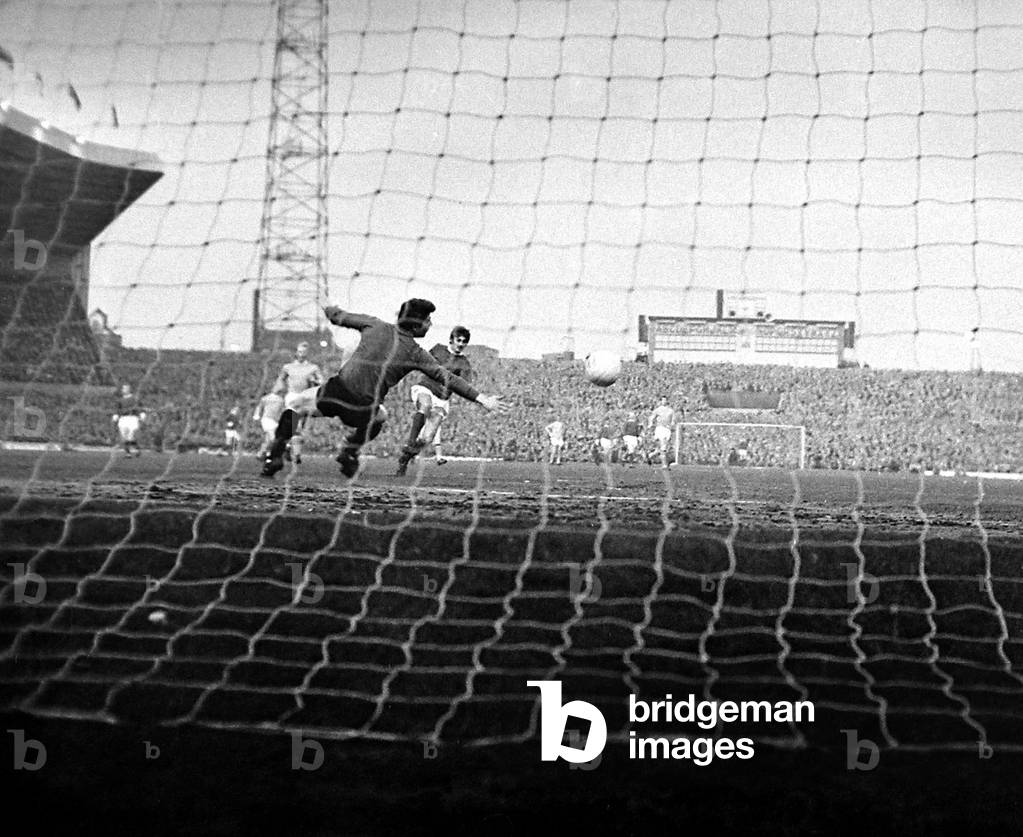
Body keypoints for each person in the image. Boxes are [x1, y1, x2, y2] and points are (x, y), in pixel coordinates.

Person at [261, 299, 506, 478]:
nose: (431, 325)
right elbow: (448, 378)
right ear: (417, 324)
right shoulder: (415, 353)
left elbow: (339, 317)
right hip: (364, 407)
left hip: (337, 391)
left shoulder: (374, 325)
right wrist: (481, 398)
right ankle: (349, 450)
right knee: (380, 416)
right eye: (428, 320)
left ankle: (275, 454)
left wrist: (326, 307)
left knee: (294, 406)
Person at [396, 325, 473, 475]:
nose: (461, 344)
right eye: (459, 340)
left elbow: (464, 385)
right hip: (425, 388)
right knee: (425, 405)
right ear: (451, 340)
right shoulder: (438, 350)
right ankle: (410, 442)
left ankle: (405, 458)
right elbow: (422, 361)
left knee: (427, 438)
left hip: (442, 399)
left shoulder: (464, 364)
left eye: (464, 342)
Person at [273, 341, 323, 464]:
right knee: (296, 425)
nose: (301, 354)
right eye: (300, 351)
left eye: (304, 352)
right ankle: (296, 454)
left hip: (306, 397)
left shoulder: (312, 368)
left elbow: (322, 381)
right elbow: (280, 379)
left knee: (300, 425)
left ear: (307, 353)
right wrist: (276, 392)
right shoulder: (288, 367)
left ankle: (289, 447)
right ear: (296, 352)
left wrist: (315, 381)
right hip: (292, 397)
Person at [112, 383, 146, 457]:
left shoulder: (135, 399)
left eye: (125, 388)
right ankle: (128, 453)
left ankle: (137, 449)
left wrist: (142, 414)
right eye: (123, 388)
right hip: (123, 418)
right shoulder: (120, 400)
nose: (124, 390)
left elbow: (140, 407)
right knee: (124, 436)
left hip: (133, 418)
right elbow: (117, 409)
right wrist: (116, 415)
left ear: (129, 389)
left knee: (131, 435)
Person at [252, 390, 285, 457]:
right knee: (274, 438)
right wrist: (256, 415)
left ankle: (260, 453)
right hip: (267, 420)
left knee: (268, 440)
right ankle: (273, 454)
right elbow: (259, 407)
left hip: (275, 421)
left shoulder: (281, 400)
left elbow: (282, 411)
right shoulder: (266, 398)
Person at [648, 396, 676, 469]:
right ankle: (664, 465)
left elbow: (673, 420)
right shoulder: (658, 410)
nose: (664, 402)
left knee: (663, 448)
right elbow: (652, 417)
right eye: (662, 400)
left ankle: (651, 456)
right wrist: (650, 424)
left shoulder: (671, 411)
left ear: (667, 401)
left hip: (667, 429)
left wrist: (672, 425)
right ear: (660, 401)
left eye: (665, 400)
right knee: (663, 447)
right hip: (660, 428)